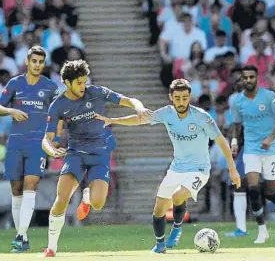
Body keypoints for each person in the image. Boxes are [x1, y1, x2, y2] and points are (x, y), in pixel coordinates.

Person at [95, 78, 241, 253]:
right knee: (159, 208)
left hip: (199, 169)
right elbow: (140, 119)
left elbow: (222, 142)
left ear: (189, 97)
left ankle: (177, 229)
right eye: (178, 98)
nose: (181, 102)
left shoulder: (202, 117)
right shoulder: (166, 113)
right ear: (171, 97)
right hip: (176, 168)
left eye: (185, 98)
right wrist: (113, 120)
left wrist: (233, 169)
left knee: (179, 195)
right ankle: (160, 244)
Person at [41, 60, 152, 257]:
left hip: (100, 154)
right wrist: (51, 151)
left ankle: (87, 196)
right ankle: (51, 248)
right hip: (75, 154)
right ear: (67, 82)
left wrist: (139, 108)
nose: (83, 86)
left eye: (84, 82)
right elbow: (47, 140)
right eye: (79, 83)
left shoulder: (97, 92)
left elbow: (127, 100)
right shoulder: (58, 105)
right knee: (62, 198)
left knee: (98, 203)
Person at [0, 46, 60, 253]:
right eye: (34, 61)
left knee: (31, 185)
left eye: (41, 62)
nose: (37, 65)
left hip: (37, 144)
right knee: (16, 190)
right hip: (15, 143)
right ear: (27, 61)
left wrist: (54, 140)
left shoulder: (50, 87)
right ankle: (22, 236)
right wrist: (11, 110)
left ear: (44, 63)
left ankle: (21, 237)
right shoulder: (15, 83)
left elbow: (57, 115)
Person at [230, 65, 275, 244]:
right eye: (245, 78)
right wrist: (235, 142)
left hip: (271, 149)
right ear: (242, 80)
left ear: (257, 79)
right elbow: (236, 125)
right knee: (252, 188)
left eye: (252, 77)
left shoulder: (268, 96)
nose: (249, 80)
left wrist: (270, 138)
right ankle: (262, 229)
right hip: (251, 150)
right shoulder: (237, 102)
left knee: (269, 191)